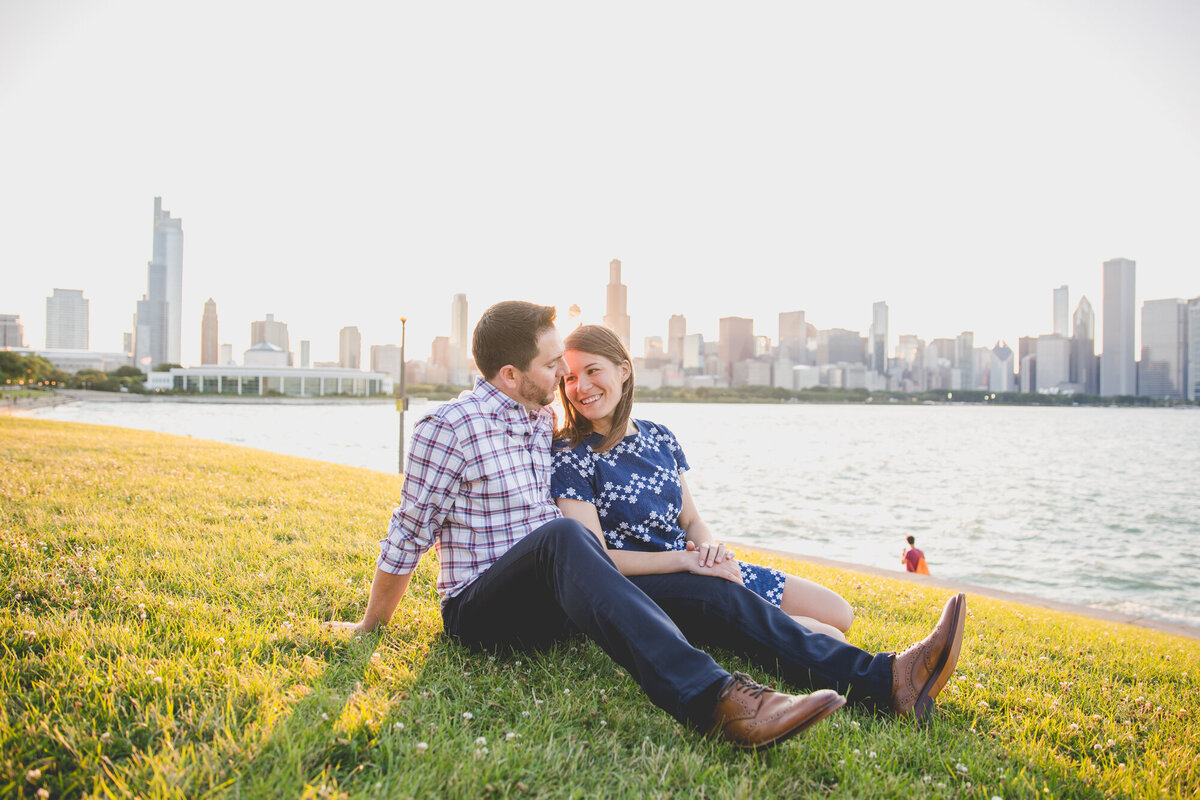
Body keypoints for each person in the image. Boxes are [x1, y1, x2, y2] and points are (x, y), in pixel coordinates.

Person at [332, 301, 967, 751]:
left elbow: (626, 474)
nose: (565, 376)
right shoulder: (449, 429)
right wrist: (370, 626)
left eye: (571, 366)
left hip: (557, 598)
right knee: (561, 538)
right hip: (482, 611)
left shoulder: (539, 422)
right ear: (510, 376)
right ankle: (720, 701)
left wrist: (695, 554)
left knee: (709, 587)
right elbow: (407, 535)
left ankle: (886, 681)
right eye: (555, 364)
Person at [551, 325, 854, 640]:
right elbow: (597, 558)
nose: (581, 386)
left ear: (624, 370)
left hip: (696, 565)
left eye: (592, 371)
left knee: (839, 612)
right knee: (830, 637)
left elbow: (692, 519)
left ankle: (754, 612)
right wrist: (687, 560)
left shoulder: (659, 436)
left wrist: (709, 552)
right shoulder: (571, 453)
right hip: (649, 587)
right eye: (570, 378)